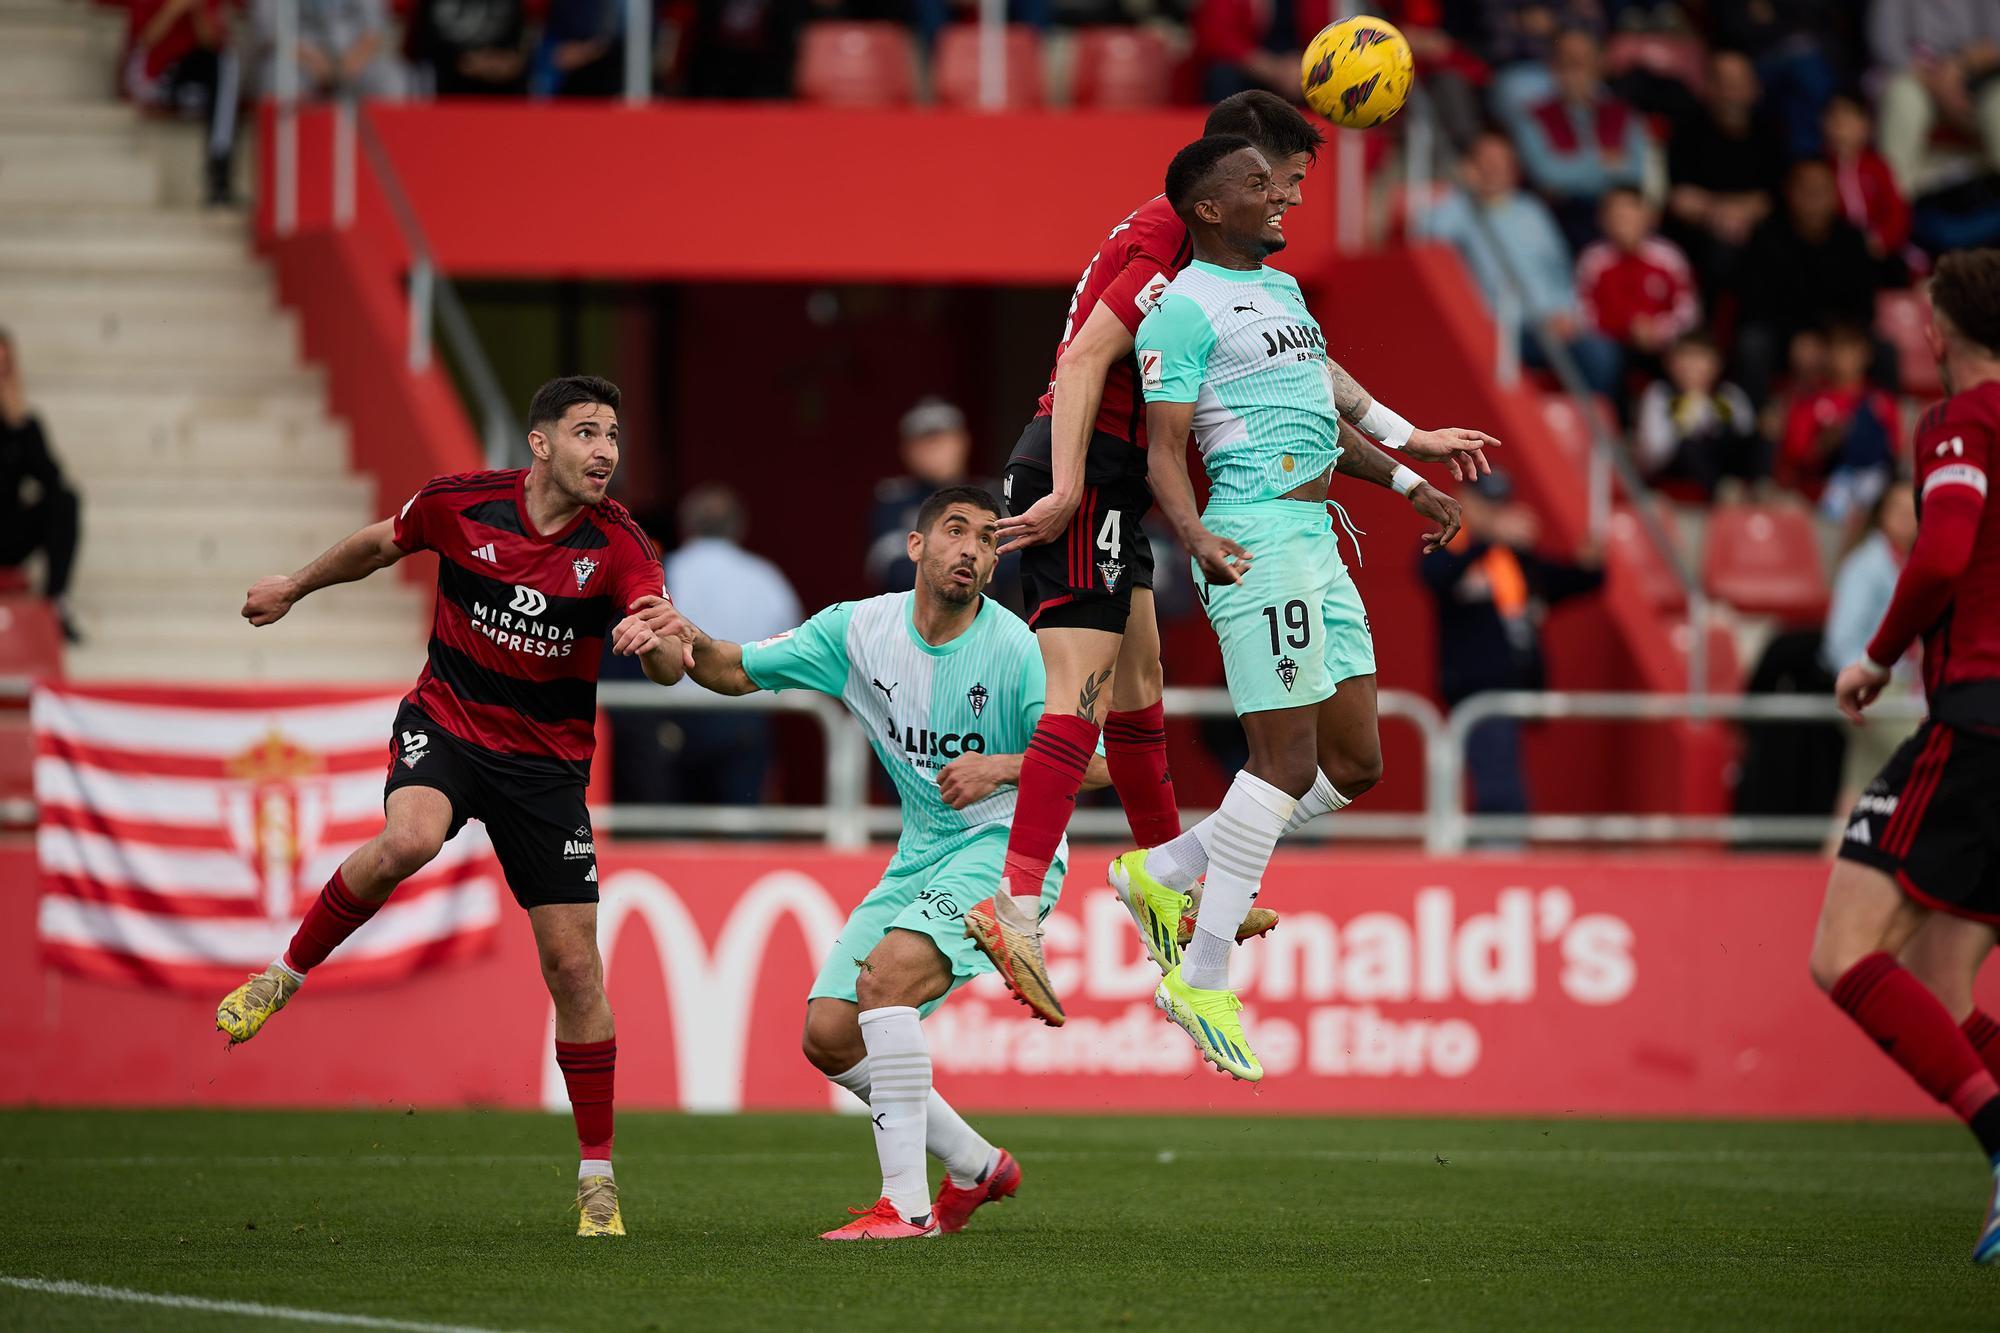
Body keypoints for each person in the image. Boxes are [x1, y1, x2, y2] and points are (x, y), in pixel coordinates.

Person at [989, 94, 1491, 1029]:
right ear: (1224, 181)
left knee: (1141, 690)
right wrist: (1064, 487)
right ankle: (1018, 907)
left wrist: (1409, 447)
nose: (1292, 196)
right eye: (1280, 178)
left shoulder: (1262, 283)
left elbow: (1312, 379)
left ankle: (1165, 881)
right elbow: (1090, 359)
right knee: (1089, 693)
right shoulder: (1167, 244)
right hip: (1093, 465)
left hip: (1156, 489)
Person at [213, 376, 675, 1239]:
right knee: (408, 839)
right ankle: (284, 972)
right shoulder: (459, 504)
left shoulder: (622, 546)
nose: (606, 449)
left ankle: (598, 1177)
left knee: (575, 970)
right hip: (450, 727)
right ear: (540, 444)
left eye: (613, 434)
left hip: (545, 768)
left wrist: (654, 646)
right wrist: (295, 585)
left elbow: (667, 649)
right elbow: (377, 546)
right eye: (586, 432)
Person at [618, 487, 1104, 1240]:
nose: (971, 549)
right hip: (923, 852)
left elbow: (1099, 762)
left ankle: (906, 1208)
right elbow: (732, 669)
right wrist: (684, 636)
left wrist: (1002, 766)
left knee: (884, 983)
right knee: (832, 1032)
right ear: (916, 547)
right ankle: (978, 1165)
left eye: (986, 539)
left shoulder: (1015, 647)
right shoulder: (859, 628)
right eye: (954, 531)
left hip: (1008, 847)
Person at [1120, 135, 1492, 1081]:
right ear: (1208, 209)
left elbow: (1320, 402)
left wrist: (1409, 468)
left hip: (1318, 538)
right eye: (1259, 184)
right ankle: (1201, 976)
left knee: (1357, 762)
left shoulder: (1282, 296)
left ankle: (1159, 872)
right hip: (1252, 538)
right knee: (1280, 762)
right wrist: (1195, 534)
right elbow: (1166, 449)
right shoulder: (1180, 312)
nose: (1281, 196)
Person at [1813, 248, 2000, 1265]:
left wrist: (1875, 658)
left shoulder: (1960, 420)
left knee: (1840, 953)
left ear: (1944, 328)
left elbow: (1939, 550)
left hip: (1976, 715)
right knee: (1941, 971)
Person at [1418, 470, 1604, 820]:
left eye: (1499, 505)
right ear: (1465, 501)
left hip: (1514, 685)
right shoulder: (1449, 543)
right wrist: (1487, 538)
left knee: (1499, 782)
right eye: (1486, 503)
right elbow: (1433, 576)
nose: (1495, 512)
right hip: (1475, 687)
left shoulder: (1512, 557)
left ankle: (1494, 850)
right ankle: (1497, 857)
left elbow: (1561, 581)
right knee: (1499, 792)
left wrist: (1591, 567)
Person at [1414, 132, 1624, 398]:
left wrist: (1566, 311)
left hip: (1550, 323)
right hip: (1499, 326)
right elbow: (1428, 236)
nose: (1493, 169)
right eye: (1485, 162)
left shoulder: (1533, 211)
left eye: (1501, 162)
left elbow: (1560, 269)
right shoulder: (1461, 210)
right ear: (1472, 166)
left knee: (1600, 353)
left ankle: (1587, 434)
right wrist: (1462, 190)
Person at [649, 483, 799, 804]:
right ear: (738, 527)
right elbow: (794, 648)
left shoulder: (660, 572)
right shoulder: (766, 578)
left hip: (673, 719)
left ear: (686, 526)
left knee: (674, 837)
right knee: (743, 837)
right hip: (744, 716)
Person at [1821, 478, 1920, 848]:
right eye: (1899, 511)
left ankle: (1828, 872)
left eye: (1914, 512)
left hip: (1905, 688)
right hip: (1877, 690)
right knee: (1924, 760)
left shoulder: (1915, 565)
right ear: (1881, 516)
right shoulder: (1866, 566)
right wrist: (1870, 676)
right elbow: (1839, 642)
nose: (1908, 520)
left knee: (1859, 787)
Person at [1735, 159, 1880, 407]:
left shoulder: (1852, 240)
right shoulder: (1766, 235)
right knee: (1753, 343)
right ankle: (1757, 426)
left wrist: (1832, 340)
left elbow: (1863, 305)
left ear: (1834, 194)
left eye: (1822, 190)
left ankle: (1879, 422)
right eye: (1805, 189)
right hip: (1781, 337)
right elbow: (1754, 303)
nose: (1814, 197)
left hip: (1838, 336)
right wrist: (1794, 337)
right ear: (1789, 193)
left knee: (1883, 349)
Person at [1507, 26, 1649, 248]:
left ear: (1599, 65)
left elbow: (1635, 171)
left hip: (1619, 218)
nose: (1575, 69)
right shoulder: (1532, 117)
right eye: (1567, 61)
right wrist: (1605, 162)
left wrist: (1573, 169)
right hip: (1562, 220)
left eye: (1583, 60)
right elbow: (1547, 176)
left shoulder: (1625, 114)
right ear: (1553, 67)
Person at [1663, 48, 1786, 293]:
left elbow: (1777, 196)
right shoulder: (1687, 132)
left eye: (1739, 82)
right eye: (1722, 82)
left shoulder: (1770, 134)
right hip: (1699, 235)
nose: (1731, 92)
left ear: (1755, 88)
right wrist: (1721, 214)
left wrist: (1730, 211)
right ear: (1707, 86)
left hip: (1761, 233)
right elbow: (1680, 199)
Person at [1869, 1, 2000, 198]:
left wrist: (1959, 66)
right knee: (1902, 98)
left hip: (1978, 81)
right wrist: (1941, 85)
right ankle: (1894, 206)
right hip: (1918, 80)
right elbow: (1887, 47)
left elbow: (1996, 44)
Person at [0, 331, 82, 644]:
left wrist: (19, 427)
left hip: (7, 533)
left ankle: (55, 603)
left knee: (65, 500)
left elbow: (52, 479)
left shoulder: (22, 423)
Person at [1778, 321, 1902, 523]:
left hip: (1872, 496)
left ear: (1866, 354)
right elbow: (1796, 457)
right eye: (1838, 350)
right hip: (1820, 500)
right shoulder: (1810, 402)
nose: (1845, 358)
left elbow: (1895, 452)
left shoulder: (1881, 402)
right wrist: (1826, 442)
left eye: (1852, 350)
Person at [121, 0, 240, 204]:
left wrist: (198, 12)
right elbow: (144, 41)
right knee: (221, 87)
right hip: (154, 79)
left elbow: (212, 43)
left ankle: (219, 163)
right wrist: (174, 9)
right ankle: (219, 171)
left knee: (226, 63)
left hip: (189, 86)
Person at [865, 399, 989, 595]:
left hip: (989, 617)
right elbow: (892, 570)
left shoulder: (992, 497)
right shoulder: (894, 502)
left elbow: (1014, 563)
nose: (935, 450)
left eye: (943, 440)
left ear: (963, 442)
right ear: (906, 451)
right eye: (925, 442)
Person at [1575, 187, 1700, 366]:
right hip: (1612, 343)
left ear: (1648, 217)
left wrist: (1658, 330)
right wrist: (1627, 327)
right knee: (1599, 354)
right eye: (1617, 216)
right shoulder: (1592, 260)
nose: (1623, 222)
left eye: (1630, 215)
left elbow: (1689, 311)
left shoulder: (1669, 257)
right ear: (1603, 220)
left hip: (1664, 344)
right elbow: (1582, 313)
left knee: (1693, 354)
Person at [1633, 333, 1764, 497]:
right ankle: (1722, 491)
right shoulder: (1661, 395)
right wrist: (1686, 416)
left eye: (1701, 357)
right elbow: (1652, 456)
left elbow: (1748, 440)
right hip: (1679, 475)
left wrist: (1710, 413)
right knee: (1688, 444)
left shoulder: (1729, 395)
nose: (1693, 366)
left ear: (1717, 364)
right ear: (1669, 363)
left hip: (1726, 469)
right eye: (1686, 357)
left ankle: (1761, 490)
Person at [1823, 91, 1911, 285]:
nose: (1840, 125)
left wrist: (1881, 241)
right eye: (1834, 117)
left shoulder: (1878, 166)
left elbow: (1896, 211)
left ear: (1866, 126)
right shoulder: (1822, 169)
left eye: (1849, 118)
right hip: (1838, 251)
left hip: (1880, 249)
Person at [252, 0, 406, 100]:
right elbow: (268, 29)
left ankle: (386, 149)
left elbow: (375, 27)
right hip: (299, 58)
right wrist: (312, 60)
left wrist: (352, 63)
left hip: (354, 58)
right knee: (275, 80)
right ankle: (297, 146)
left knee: (392, 80)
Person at [406, 0, 528, 96]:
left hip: (500, 80)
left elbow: (517, 42)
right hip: (448, 75)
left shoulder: (510, 4)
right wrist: (465, 61)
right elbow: (421, 43)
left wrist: (506, 61)